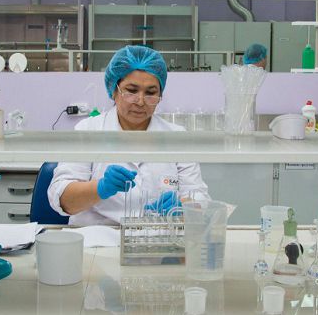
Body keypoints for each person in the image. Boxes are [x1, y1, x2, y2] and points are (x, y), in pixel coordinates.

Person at [48, 45, 209, 226]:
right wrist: (100, 188)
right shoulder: (88, 131)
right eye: (131, 91)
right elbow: (63, 200)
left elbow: (200, 199)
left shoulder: (177, 137)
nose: (140, 102)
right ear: (114, 90)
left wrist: (183, 207)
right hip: (98, 236)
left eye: (151, 93)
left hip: (157, 235)